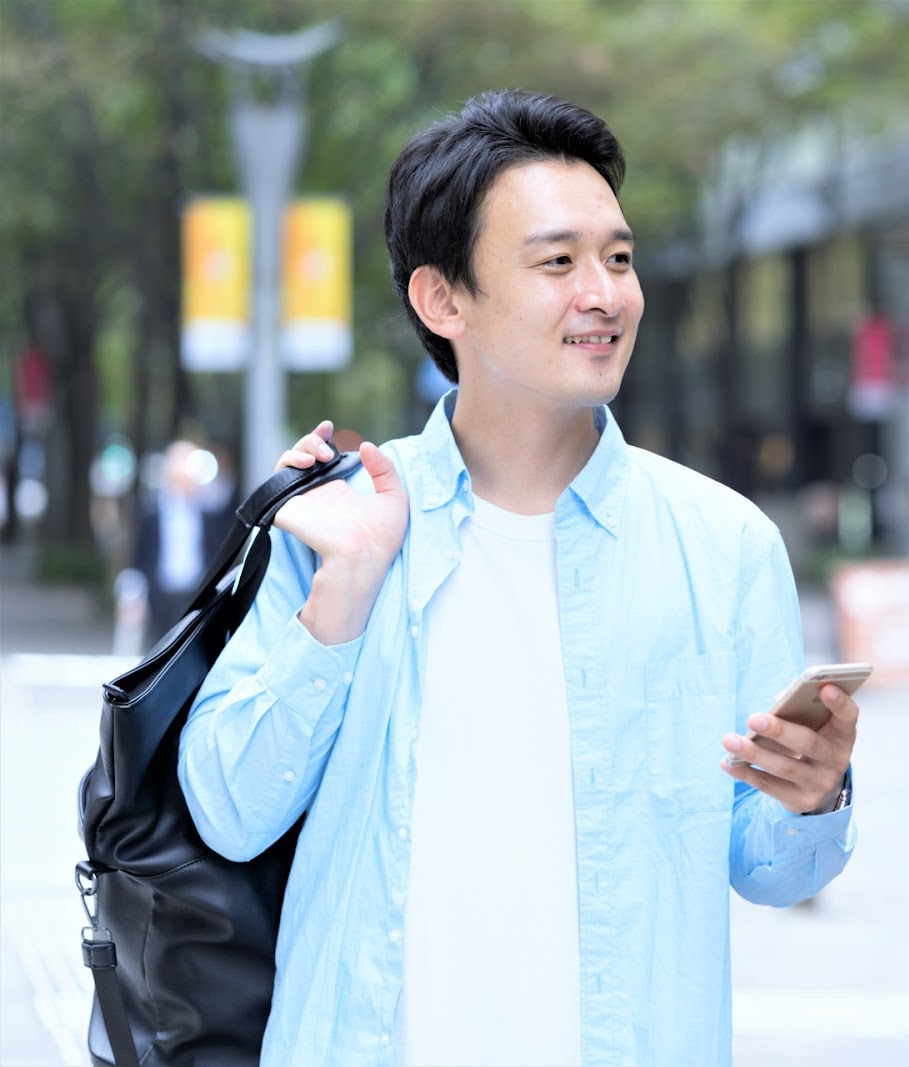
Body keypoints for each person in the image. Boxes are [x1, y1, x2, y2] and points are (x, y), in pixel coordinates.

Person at [178, 90, 859, 1067]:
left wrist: (812, 793)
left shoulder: (725, 546)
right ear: (440, 297)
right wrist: (344, 594)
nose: (605, 293)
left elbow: (769, 868)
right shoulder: (339, 524)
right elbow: (230, 810)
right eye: (557, 261)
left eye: (618, 258)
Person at [130, 438, 232, 644]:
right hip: (160, 596)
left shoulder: (209, 509)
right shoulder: (151, 510)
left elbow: (221, 549)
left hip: (197, 595)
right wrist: (132, 596)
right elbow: (139, 556)